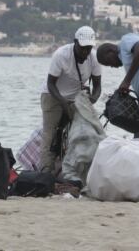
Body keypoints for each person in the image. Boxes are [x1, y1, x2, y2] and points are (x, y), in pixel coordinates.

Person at [39, 26, 102, 174]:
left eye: (88, 48)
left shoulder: (94, 58)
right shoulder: (61, 55)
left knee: (87, 131)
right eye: (82, 48)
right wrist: (63, 102)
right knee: (50, 133)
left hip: (75, 98)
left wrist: (92, 99)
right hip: (52, 95)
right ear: (75, 42)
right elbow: (51, 84)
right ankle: (45, 171)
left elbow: (98, 87)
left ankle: (79, 170)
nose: (85, 52)